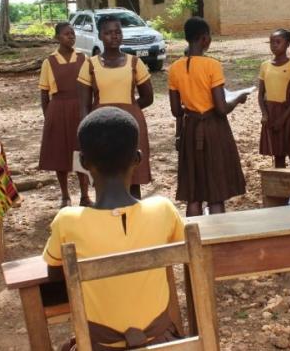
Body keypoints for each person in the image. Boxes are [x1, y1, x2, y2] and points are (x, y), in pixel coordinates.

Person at [43, 107, 185, 350]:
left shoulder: (67, 221)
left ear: (84, 163)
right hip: (161, 343)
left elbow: (55, 277)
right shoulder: (163, 211)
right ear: (137, 158)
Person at [168, 17, 247, 217]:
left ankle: (194, 239)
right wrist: (238, 99)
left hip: (191, 130)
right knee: (215, 193)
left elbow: (176, 110)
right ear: (204, 39)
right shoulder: (212, 65)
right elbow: (221, 108)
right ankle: (217, 240)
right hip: (213, 129)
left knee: (194, 193)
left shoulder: (175, 68)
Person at [78, 15, 153, 199]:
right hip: (100, 128)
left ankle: (134, 219)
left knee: (133, 176)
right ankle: (106, 220)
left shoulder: (135, 63)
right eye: (108, 32)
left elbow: (148, 97)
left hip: (130, 126)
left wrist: (128, 110)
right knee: (103, 174)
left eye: (117, 32)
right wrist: (85, 135)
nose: (114, 36)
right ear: (100, 36)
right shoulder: (89, 65)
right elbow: (84, 105)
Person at [39, 22, 91, 208]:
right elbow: (44, 94)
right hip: (57, 109)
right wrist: (49, 118)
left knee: (81, 151)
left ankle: (85, 195)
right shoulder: (49, 62)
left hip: (80, 108)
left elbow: (89, 87)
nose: (71, 36)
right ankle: (65, 195)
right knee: (60, 154)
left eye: (73, 33)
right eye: (67, 34)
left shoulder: (83, 58)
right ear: (57, 38)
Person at [258, 29, 290, 169]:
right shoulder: (265, 65)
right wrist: (265, 114)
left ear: (288, 44)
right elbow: (260, 95)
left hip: (289, 114)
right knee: (278, 156)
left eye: (278, 42)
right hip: (272, 115)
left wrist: (283, 118)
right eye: (271, 42)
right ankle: (282, 190)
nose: (274, 45)